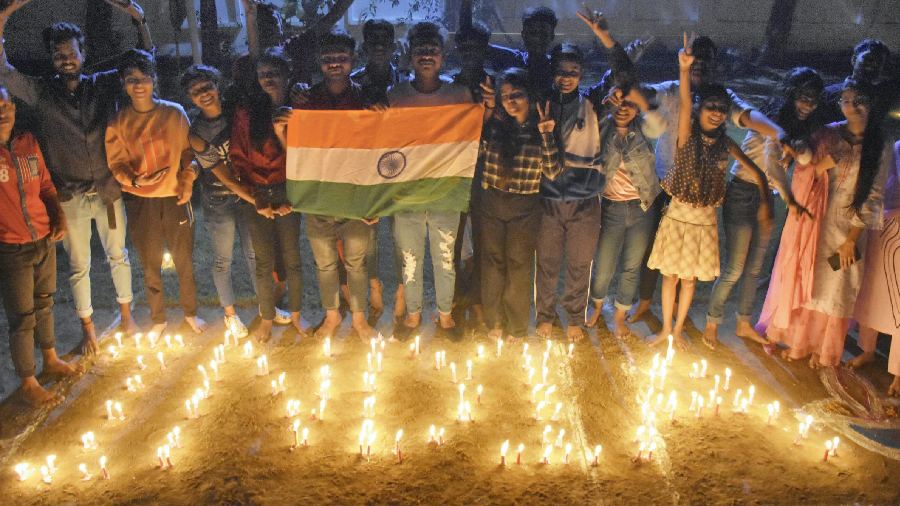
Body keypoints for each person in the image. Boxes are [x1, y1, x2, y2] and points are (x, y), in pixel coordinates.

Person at [0, 0, 153, 354]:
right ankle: (88, 329)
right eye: (59, 55)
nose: (66, 60)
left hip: (108, 191)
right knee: (79, 265)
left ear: (83, 54)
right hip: (70, 196)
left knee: (119, 255)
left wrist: (139, 19)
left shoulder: (102, 86)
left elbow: (143, 64)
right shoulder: (41, 93)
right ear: (52, 59)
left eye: (72, 53)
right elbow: (5, 72)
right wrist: (5, 18)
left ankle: (127, 318)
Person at [630, 35, 787, 324]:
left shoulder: (720, 99)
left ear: (715, 65)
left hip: (701, 200)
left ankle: (675, 315)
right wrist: (632, 87)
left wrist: (778, 132)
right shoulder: (674, 90)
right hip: (667, 184)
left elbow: (748, 116)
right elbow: (649, 94)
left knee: (686, 263)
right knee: (656, 251)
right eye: (695, 60)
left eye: (705, 61)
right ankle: (645, 302)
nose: (699, 65)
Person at [757, 79, 888, 368]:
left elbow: (874, 194)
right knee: (810, 281)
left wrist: (852, 238)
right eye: (845, 101)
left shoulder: (880, 143)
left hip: (851, 229)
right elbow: (803, 171)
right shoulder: (827, 133)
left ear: (871, 102)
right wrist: (819, 166)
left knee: (838, 285)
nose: (851, 107)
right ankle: (799, 343)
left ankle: (824, 350)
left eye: (858, 100)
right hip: (817, 222)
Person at [700, 68, 820, 349]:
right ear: (791, 94)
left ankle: (744, 324)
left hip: (766, 194)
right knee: (735, 268)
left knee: (754, 269)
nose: (806, 106)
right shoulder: (774, 120)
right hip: (743, 191)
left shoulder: (800, 128)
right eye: (803, 97)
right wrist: (788, 199)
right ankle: (712, 323)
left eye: (813, 101)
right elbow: (771, 163)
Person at [105, 49, 205, 337]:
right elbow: (117, 163)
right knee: (150, 262)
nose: (139, 85)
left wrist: (187, 179)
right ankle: (158, 318)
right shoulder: (118, 122)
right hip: (141, 202)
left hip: (175, 198)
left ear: (154, 80)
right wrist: (135, 181)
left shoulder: (174, 113)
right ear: (124, 84)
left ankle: (190, 313)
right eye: (131, 79)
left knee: (183, 259)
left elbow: (190, 153)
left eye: (144, 78)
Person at [285, 30, 377, 341]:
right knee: (324, 265)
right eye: (328, 59)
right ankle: (333, 317)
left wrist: (375, 201)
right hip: (318, 197)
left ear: (353, 60)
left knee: (357, 265)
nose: (334, 64)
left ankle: (361, 321)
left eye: (341, 58)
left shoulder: (367, 98)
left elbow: (379, 149)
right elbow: (294, 146)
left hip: (355, 199)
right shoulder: (305, 99)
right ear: (318, 62)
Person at [387, 22, 473, 340]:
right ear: (409, 55)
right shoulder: (395, 96)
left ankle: (446, 315)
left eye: (432, 49)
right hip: (407, 194)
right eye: (420, 50)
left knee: (445, 258)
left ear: (442, 55)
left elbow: (471, 138)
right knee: (410, 258)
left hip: (446, 193)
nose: (426, 55)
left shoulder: (459, 94)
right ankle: (412, 315)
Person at [0, 84, 82, 407]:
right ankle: (28, 380)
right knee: (22, 316)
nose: (1, 113)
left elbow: (46, 184)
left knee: (45, 302)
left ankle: (50, 357)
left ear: (14, 110)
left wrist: (58, 217)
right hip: (11, 248)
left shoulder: (28, 143)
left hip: (43, 239)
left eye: (5, 106)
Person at [477, 68, 562, 342]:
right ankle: (494, 322)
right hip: (492, 201)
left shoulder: (541, 128)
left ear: (529, 96)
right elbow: (474, 147)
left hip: (525, 204)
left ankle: (515, 326)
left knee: (519, 265)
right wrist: (488, 110)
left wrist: (547, 134)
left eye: (517, 95)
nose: (510, 101)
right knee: (492, 263)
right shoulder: (496, 126)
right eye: (505, 96)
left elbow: (552, 171)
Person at [231, 47, 308, 342]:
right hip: (258, 194)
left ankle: (298, 316)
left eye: (274, 73)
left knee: (292, 258)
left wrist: (295, 196)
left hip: (289, 191)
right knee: (263, 262)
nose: (268, 79)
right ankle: (266, 319)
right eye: (263, 74)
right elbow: (239, 155)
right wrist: (255, 197)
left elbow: (306, 156)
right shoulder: (247, 111)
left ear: (288, 75)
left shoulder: (300, 108)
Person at [534, 42, 603, 343]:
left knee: (579, 263)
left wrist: (603, 36)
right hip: (548, 199)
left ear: (581, 73)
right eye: (561, 71)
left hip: (585, 200)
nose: (566, 77)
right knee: (546, 263)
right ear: (552, 72)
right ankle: (545, 316)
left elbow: (623, 74)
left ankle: (575, 316)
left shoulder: (593, 103)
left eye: (573, 72)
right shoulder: (542, 104)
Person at [182, 64, 258, 338]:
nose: (203, 94)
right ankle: (230, 315)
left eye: (207, 87)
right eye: (195, 92)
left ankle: (267, 308)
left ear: (217, 84)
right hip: (219, 200)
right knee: (223, 259)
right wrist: (256, 200)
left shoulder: (235, 113)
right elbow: (225, 178)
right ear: (190, 98)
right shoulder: (198, 133)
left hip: (246, 195)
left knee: (254, 254)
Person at [586, 85, 666, 338]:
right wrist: (606, 108)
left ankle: (620, 315)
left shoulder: (643, 129)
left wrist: (638, 100)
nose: (623, 110)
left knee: (632, 265)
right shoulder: (604, 128)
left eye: (628, 104)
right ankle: (596, 306)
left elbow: (658, 123)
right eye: (618, 104)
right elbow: (587, 131)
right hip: (612, 207)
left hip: (642, 208)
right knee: (604, 264)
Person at [851, 140, 900, 396]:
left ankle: (898, 374)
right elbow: (880, 184)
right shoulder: (894, 148)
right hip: (879, 230)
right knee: (869, 292)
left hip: (895, 232)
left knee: (897, 302)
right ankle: (867, 350)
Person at [483, 5, 557, 98]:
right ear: (524, 35)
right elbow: (474, 42)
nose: (538, 38)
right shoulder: (510, 59)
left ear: (552, 36)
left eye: (543, 34)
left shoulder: (557, 66)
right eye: (533, 33)